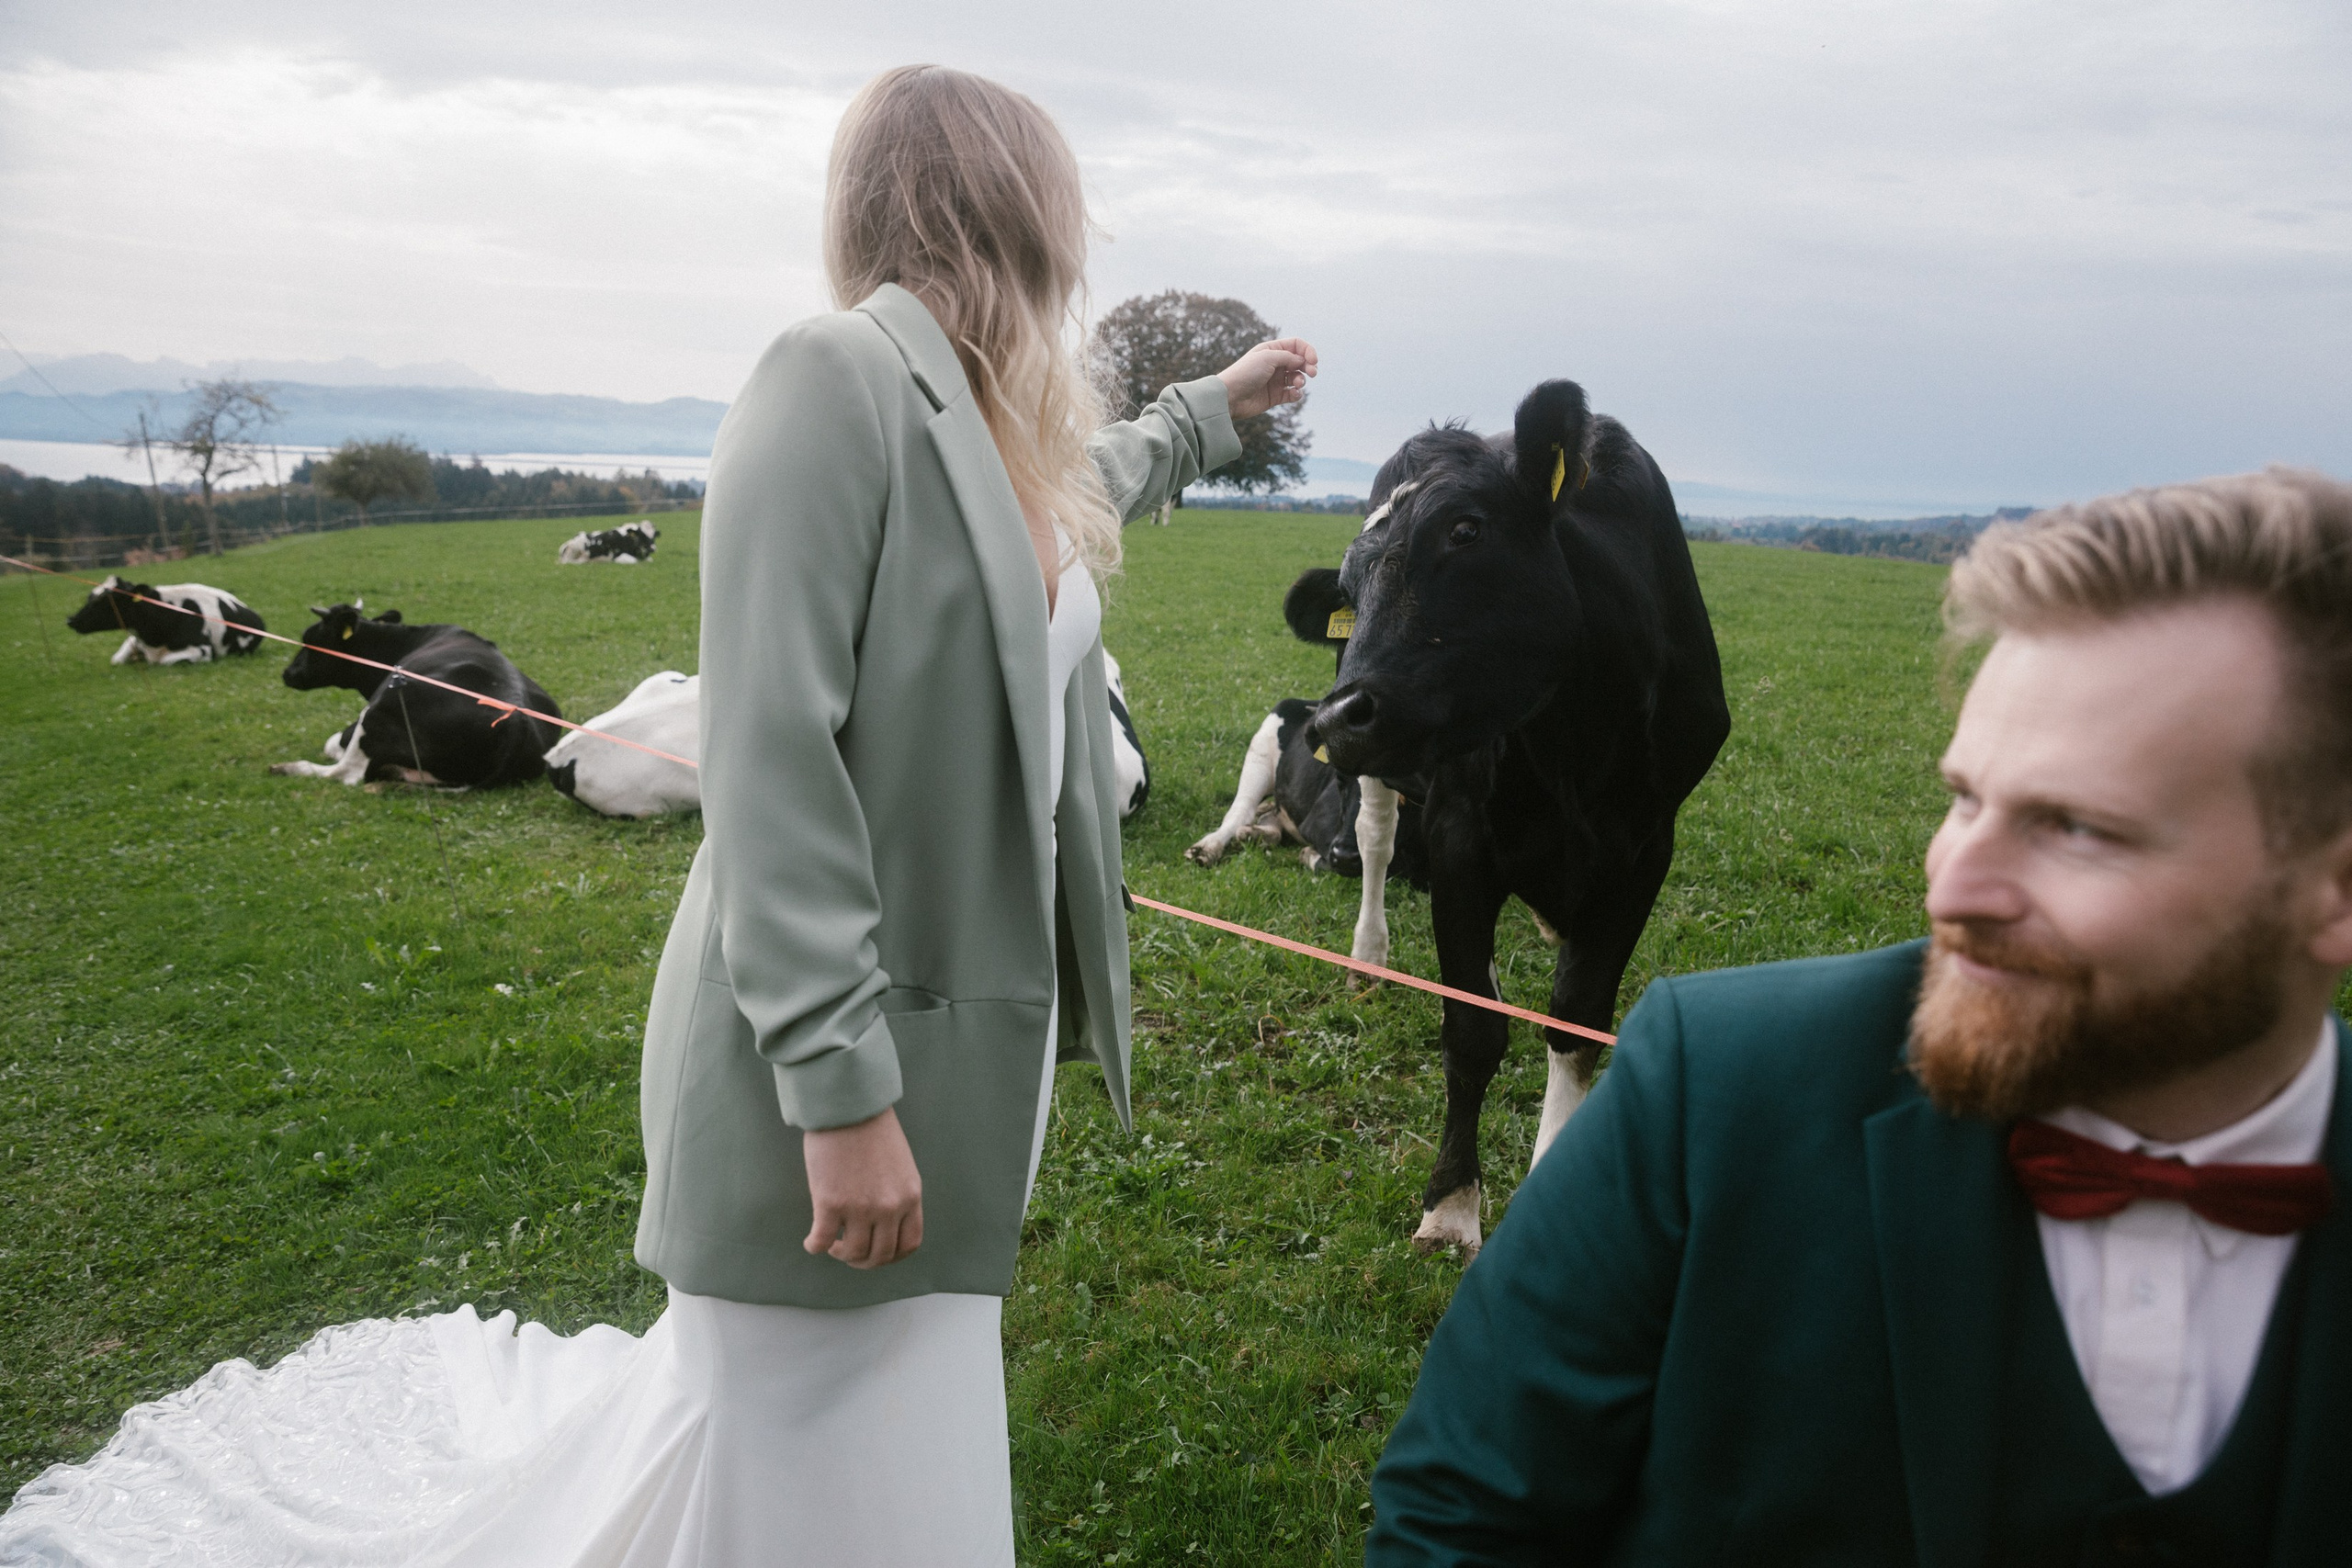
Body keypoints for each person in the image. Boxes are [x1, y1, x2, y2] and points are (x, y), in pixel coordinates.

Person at [0, 65, 1314, 1568]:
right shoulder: (832, 384)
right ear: (1021, 209)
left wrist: (1221, 406)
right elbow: (768, 752)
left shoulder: (1011, 434)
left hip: (969, 1066)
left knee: (907, 1471)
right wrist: (841, 1093)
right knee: (781, 1473)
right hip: (821, 1077)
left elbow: (1096, 490)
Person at [1366, 469, 2352, 1564]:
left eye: (2078, 827)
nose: (1951, 888)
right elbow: (1456, 1520)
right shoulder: (1711, 1095)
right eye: (1964, 798)